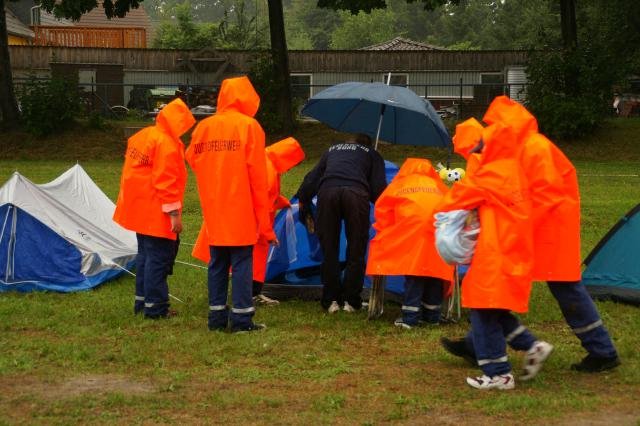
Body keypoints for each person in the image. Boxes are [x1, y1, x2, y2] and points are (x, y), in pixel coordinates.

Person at [442, 96, 620, 373]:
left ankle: (602, 350)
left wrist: (516, 225)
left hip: (547, 229)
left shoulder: (533, 147)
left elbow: (545, 196)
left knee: (563, 287)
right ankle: (477, 343)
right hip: (539, 227)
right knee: (497, 285)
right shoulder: (523, 146)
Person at [435, 122, 538, 390]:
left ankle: (498, 372)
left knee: (481, 307)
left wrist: (443, 214)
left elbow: (463, 195)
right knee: (491, 308)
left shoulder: (490, 172)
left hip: (495, 249)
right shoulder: (512, 169)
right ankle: (528, 347)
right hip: (511, 247)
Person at [186, 76, 277, 332]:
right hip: (241, 207)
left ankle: (216, 318)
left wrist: (214, 175)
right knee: (241, 263)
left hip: (214, 205)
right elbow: (259, 179)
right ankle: (241, 319)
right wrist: (265, 224)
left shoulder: (204, 127)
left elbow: (191, 157)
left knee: (217, 262)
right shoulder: (249, 127)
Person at [191, 136, 305, 306]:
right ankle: (246, 297)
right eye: (291, 164)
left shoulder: (265, 161)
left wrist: (280, 201)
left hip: (243, 219)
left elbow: (262, 193)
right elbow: (260, 198)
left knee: (242, 260)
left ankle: (239, 297)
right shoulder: (268, 167)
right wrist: (266, 231)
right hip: (251, 223)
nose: (289, 169)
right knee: (245, 260)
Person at [113, 98, 195, 319]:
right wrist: (174, 214)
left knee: (145, 257)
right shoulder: (167, 144)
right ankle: (156, 308)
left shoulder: (143, 136)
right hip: (156, 211)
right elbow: (166, 181)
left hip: (138, 209)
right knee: (157, 260)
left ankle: (143, 302)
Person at [296, 133, 387, 313]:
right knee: (356, 248)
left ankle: (330, 300)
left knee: (329, 248)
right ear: (368, 145)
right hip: (355, 194)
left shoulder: (331, 150)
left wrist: (303, 200)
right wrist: (388, 211)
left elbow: (312, 178)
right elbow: (379, 188)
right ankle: (351, 301)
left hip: (327, 193)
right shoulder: (372, 154)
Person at [366, 158, 454, 328]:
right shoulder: (440, 187)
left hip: (409, 237)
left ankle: (410, 317)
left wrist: (386, 230)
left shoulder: (399, 185)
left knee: (414, 273)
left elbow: (382, 211)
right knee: (435, 273)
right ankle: (432, 316)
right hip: (439, 236)